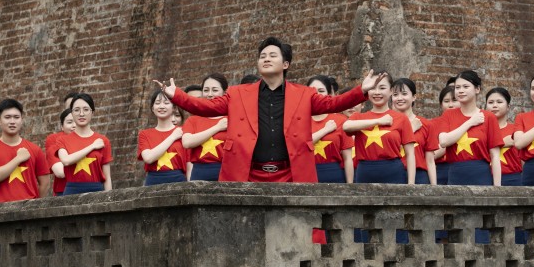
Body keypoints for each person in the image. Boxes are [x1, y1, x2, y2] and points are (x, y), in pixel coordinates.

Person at [158, 37, 382, 183]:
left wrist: (361, 90)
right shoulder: (237, 93)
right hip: (247, 173)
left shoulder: (304, 94)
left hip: (291, 173)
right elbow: (205, 107)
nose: (266, 59)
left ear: (286, 64)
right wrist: (176, 95)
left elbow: (334, 104)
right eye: (262, 56)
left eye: (272, 55)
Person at [344, 73, 416, 184]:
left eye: (382, 88)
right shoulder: (358, 117)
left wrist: (411, 184)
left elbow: (410, 154)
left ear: (391, 91)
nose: (377, 92)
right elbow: (346, 127)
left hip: (393, 171)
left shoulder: (401, 119)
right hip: (364, 171)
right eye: (372, 88)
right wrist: (378, 121)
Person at [437, 70, 503, 186]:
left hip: (481, 174)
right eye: (457, 87)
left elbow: (495, 156)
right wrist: (470, 122)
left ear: (477, 89)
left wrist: (497, 188)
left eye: (466, 86)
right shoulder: (448, 114)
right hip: (455, 174)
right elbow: (444, 141)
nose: (461, 90)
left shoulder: (488, 117)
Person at [0, 99, 51, 202]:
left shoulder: (35, 149)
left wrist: (35, 204)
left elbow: (45, 183)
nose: (12, 121)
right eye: (7, 117)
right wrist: (18, 159)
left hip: (29, 208)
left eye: (16, 117)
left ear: (21, 119)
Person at [56, 93, 112, 195]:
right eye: (76, 110)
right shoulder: (62, 140)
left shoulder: (103, 140)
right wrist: (92, 146)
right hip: (71, 191)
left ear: (92, 113)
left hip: (97, 190)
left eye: (86, 109)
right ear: (72, 113)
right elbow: (66, 160)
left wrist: (108, 200)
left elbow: (107, 177)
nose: (81, 114)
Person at [182, 74, 229, 181]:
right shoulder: (193, 119)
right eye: (206, 90)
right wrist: (216, 128)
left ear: (225, 93)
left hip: (226, 170)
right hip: (200, 171)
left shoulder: (232, 118)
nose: (210, 94)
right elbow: (187, 142)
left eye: (215, 90)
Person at [391, 78, 438, 185]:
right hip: (393, 173)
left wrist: (434, 187)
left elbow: (430, 160)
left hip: (420, 176)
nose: (399, 98)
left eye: (404, 94)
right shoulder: (387, 122)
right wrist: (411, 129)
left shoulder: (426, 124)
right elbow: (389, 149)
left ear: (414, 97)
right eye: (395, 94)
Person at [307, 75, 354, 183]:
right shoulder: (300, 120)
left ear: (329, 94)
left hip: (334, 174)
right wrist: (325, 130)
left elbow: (348, 159)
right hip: (307, 173)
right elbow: (300, 145)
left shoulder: (340, 120)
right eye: (312, 90)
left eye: (321, 90)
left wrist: (350, 186)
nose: (316, 94)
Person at [138, 90, 188, 186]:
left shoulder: (183, 131)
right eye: (157, 103)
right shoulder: (145, 134)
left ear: (173, 108)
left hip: (178, 179)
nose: (161, 106)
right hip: (153, 180)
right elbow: (148, 158)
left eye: (166, 103)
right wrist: (172, 137)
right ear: (152, 108)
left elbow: (189, 162)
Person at [486, 87, 522, 186]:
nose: (494, 105)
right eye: (490, 102)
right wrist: (502, 142)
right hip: (486, 178)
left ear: (508, 106)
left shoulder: (516, 130)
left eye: (499, 102)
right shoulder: (481, 130)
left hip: (514, 178)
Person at [45, 93, 78, 196]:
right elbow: (60, 172)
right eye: (70, 108)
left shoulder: (94, 138)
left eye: (76, 109)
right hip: (63, 189)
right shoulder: (55, 139)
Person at [430, 84, 461, 184]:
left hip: (461, 167)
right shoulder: (432, 124)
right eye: (446, 101)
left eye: (454, 100)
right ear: (441, 104)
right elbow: (429, 152)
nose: (450, 105)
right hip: (439, 169)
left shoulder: (468, 122)